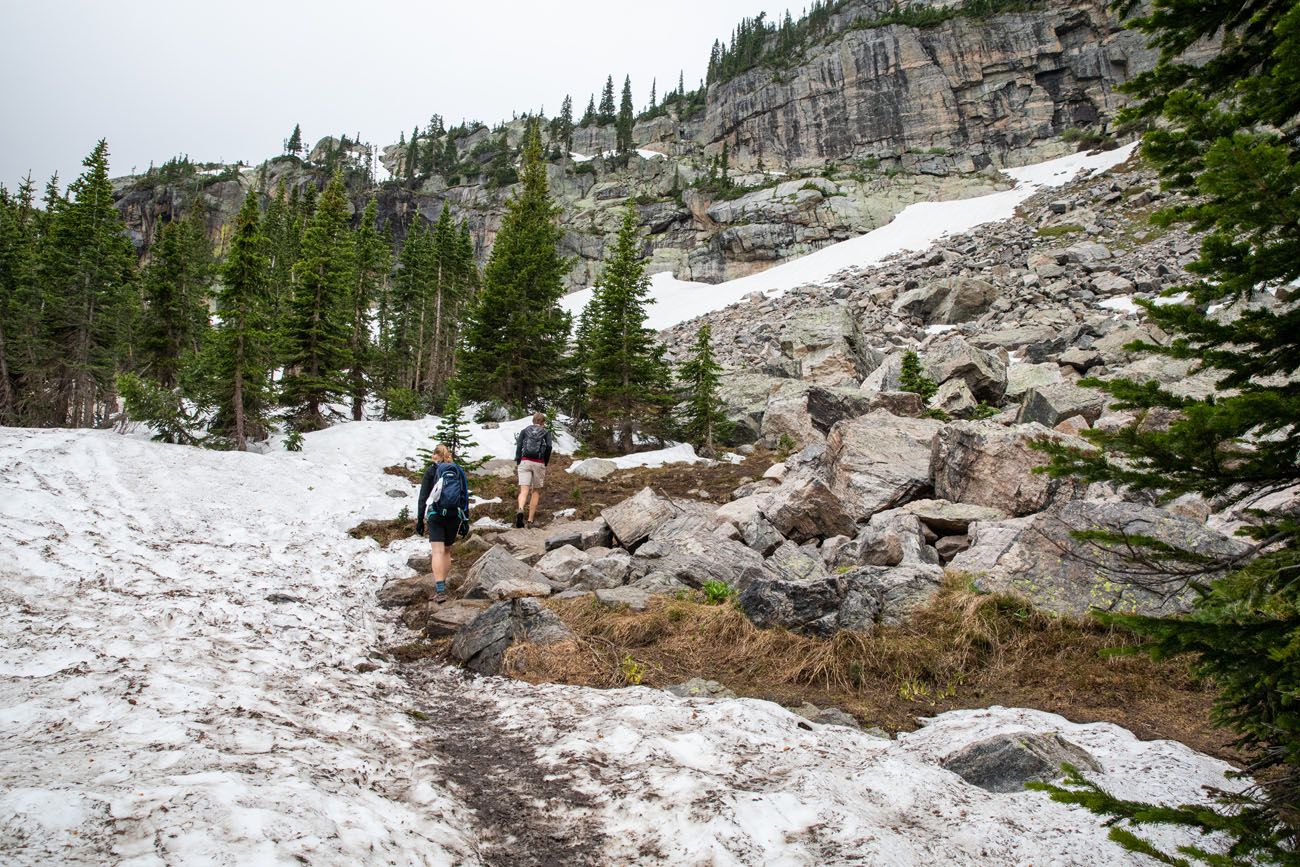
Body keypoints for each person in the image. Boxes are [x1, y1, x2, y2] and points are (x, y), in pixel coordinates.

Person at [416, 443, 469, 603]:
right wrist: (466, 519)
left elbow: (423, 497)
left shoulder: (432, 471)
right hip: (454, 515)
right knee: (447, 551)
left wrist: (420, 519)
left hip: (436, 514)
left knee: (437, 551)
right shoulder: (458, 470)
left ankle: (440, 590)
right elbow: (464, 496)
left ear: (435, 456)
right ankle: (443, 586)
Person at [514, 411, 552, 529]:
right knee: (535, 491)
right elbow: (549, 447)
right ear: (543, 422)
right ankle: (530, 520)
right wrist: (545, 461)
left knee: (524, 490)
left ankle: (520, 509)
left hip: (525, 461)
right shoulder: (546, 432)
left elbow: (519, 445)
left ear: (533, 421)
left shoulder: (525, 431)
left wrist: (519, 459)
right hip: (538, 463)